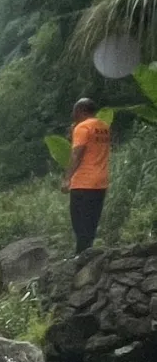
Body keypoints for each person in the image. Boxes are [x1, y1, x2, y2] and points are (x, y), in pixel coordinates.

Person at [62, 98, 111, 254]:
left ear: (81, 110)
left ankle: (81, 258)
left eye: (74, 111)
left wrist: (67, 178)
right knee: (91, 223)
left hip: (83, 182)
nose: (73, 114)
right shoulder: (104, 127)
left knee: (79, 223)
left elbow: (77, 154)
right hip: (101, 182)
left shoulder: (82, 127)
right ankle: (87, 256)